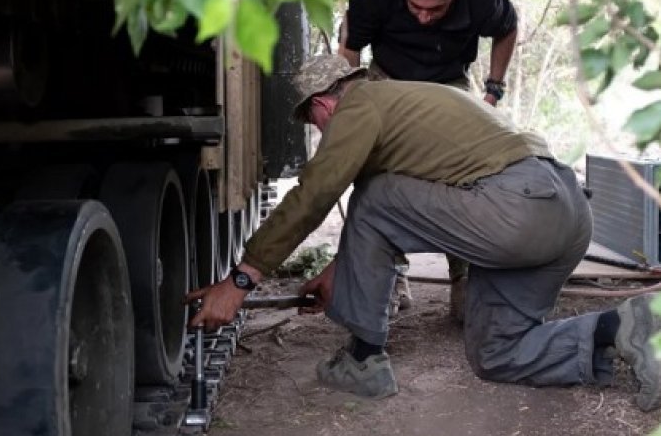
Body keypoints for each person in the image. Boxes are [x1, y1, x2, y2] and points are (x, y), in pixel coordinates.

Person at [186, 55, 661, 412]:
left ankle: (363, 359)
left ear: (324, 103)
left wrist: (240, 282)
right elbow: (395, 213)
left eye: (313, 123)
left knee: (372, 198)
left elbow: (315, 195)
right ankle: (623, 328)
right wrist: (341, 270)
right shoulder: (411, 104)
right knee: (498, 354)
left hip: (515, 210)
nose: (319, 131)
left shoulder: (361, 104)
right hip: (566, 213)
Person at [339, 0, 519, 319]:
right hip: (387, 78)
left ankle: (465, 280)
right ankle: (389, 280)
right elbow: (350, 49)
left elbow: (508, 27)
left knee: (463, 178)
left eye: (434, 10)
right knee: (377, 177)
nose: (423, 18)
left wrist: (493, 89)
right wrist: (355, 106)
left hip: (448, 83)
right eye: (415, 7)